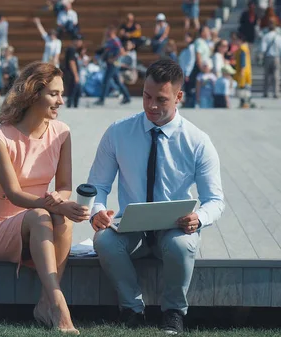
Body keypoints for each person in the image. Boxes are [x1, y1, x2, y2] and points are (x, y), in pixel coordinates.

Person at [87, 59, 225, 335]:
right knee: (103, 240)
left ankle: (173, 312)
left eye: (161, 99)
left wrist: (199, 218)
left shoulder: (198, 141)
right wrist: (97, 212)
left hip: (174, 227)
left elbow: (215, 200)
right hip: (131, 226)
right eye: (146, 96)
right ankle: (131, 309)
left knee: (181, 246)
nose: (151, 105)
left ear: (179, 97)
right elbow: (97, 186)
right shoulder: (118, 132)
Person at [0, 61, 88, 334]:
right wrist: (50, 204)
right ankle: (60, 303)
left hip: (41, 218)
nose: (61, 101)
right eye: (54, 93)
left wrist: (59, 202)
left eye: (61, 93)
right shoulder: (0, 136)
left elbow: (64, 185)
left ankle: (44, 303)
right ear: (33, 93)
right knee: (43, 216)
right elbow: (13, 193)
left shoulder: (61, 132)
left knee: (62, 221)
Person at [94, 25, 131, 106]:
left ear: (112, 31)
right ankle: (127, 97)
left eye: (108, 31)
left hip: (114, 64)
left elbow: (121, 52)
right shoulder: (109, 40)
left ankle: (101, 99)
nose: (107, 32)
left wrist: (114, 59)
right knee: (117, 82)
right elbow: (104, 48)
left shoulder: (115, 40)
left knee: (105, 81)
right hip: (109, 64)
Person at [233, 32, 254, 108]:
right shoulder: (245, 47)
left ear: (240, 40)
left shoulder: (242, 49)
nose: (234, 41)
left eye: (235, 39)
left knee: (243, 89)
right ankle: (246, 103)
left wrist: (242, 71)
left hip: (243, 72)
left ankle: (245, 103)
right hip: (246, 71)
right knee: (245, 89)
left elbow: (243, 61)